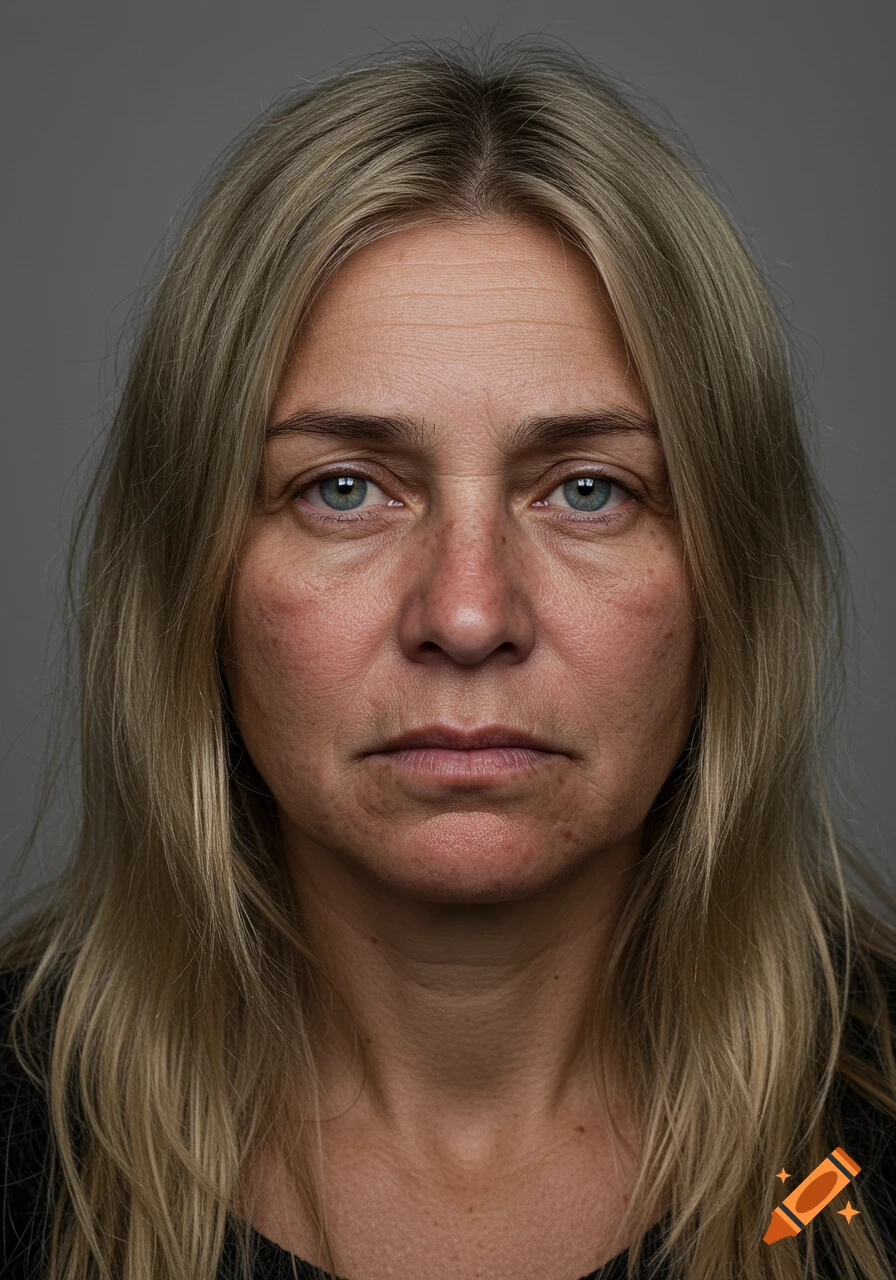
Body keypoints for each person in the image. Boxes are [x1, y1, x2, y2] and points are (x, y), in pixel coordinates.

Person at [1, 37, 895, 1280]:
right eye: (345, 487)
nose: (468, 616)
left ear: (729, 574)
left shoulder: (852, 1160)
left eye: (587, 488)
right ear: (188, 574)